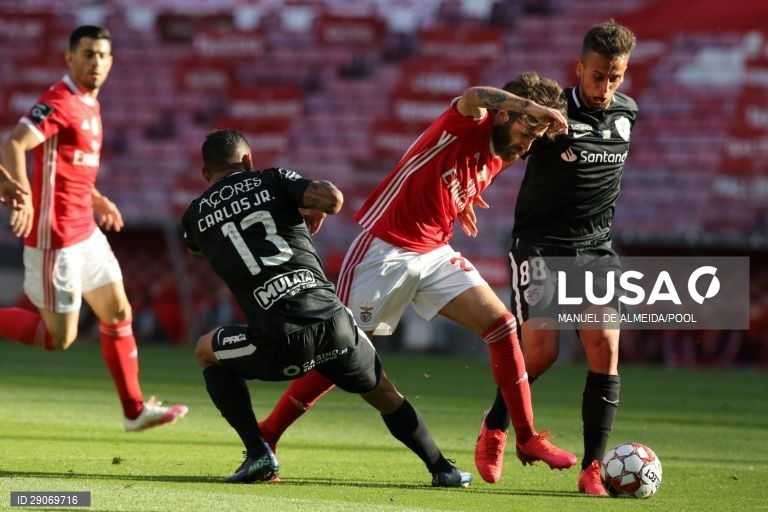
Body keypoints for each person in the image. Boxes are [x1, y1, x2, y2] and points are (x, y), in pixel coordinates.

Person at [257, 72, 579, 473]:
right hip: (385, 249)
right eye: (526, 128)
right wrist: (534, 108)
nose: (528, 142)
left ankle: (521, 437)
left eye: (536, 136)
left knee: (502, 325)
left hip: (434, 251)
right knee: (338, 353)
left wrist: (462, 200)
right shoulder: (470, 120)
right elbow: (473, 94)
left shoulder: (505, 153)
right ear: (503, 114)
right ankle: (267, 432)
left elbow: (450, 173)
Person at [185, 129, 471, 486]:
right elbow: (333, 199)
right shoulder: (272, 179)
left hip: (278, 340)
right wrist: (309, 207)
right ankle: (443, 469)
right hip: (334, 325)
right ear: (247, 160)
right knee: (384, 392)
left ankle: (259, 453)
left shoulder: (194, 214)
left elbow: (195, 248)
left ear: (204, 174)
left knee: (204, 350)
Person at [473, 21, 638, 496]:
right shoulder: (552, 113)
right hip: (542, 245)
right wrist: (467, 191)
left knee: (605, 349)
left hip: (597, 247)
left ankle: (592, 468)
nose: (607, 87)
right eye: (599, 75)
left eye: (616, 77)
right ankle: (496, 426)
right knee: (542, 353)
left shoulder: (628, 112)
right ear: (580, 68)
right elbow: (503, 151)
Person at [0, 25, 187, 431]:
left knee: (118, 310)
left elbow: (71, 169)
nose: (95, 62)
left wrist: (96, 198)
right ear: (70, 58)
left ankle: (134, 410)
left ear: (111, 61)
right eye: (87, 54)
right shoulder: (59, 101)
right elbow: (14, 144)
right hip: (56, 238)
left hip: (85, 229)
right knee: (58, 338)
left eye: (102, 54)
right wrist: (25, 198)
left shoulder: (90, 104)